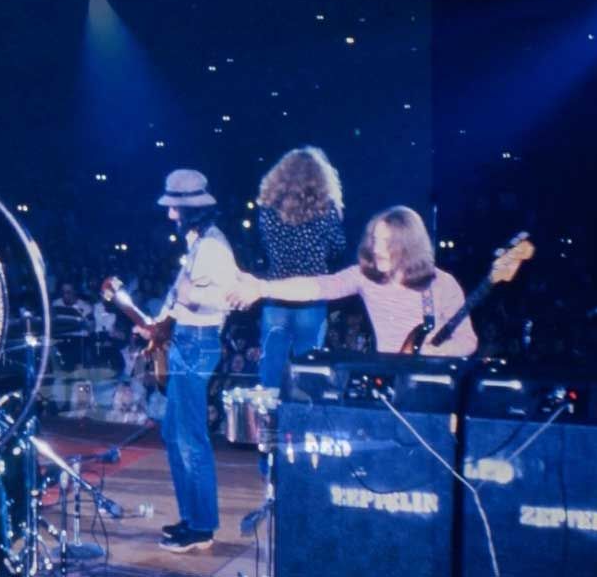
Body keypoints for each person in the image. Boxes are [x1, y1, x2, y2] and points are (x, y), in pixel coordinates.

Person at [141, 169, 239, 553]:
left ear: (189, 209)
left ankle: (201, 527)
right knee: (174, 435)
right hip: (188, 340)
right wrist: (161, 323)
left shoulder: (212, 247)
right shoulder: (202, 243)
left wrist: (182, 296)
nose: (169, 215)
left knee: (190, 439)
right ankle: (192, 519)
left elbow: (214, 300)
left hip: (197, 342)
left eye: (174, 208)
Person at [231, 205, 477, 357]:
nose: (377, 249)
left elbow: (468, 341)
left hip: (431, 388)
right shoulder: (366, 276)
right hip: (387, 383)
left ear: (409, 246)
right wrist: (263, 287)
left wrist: (439, 352)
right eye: (375, 240)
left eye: (386, 243)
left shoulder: (442, 284)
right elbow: (315, 287)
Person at [254, 146, 347, 389]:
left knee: (271, 366)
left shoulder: (267, 211)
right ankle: (304, 420)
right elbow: (338, 247)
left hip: (276, 296)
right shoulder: (325, 210)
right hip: (312, 296)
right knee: (308, 367)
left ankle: (269, 421)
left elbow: (263, 245)